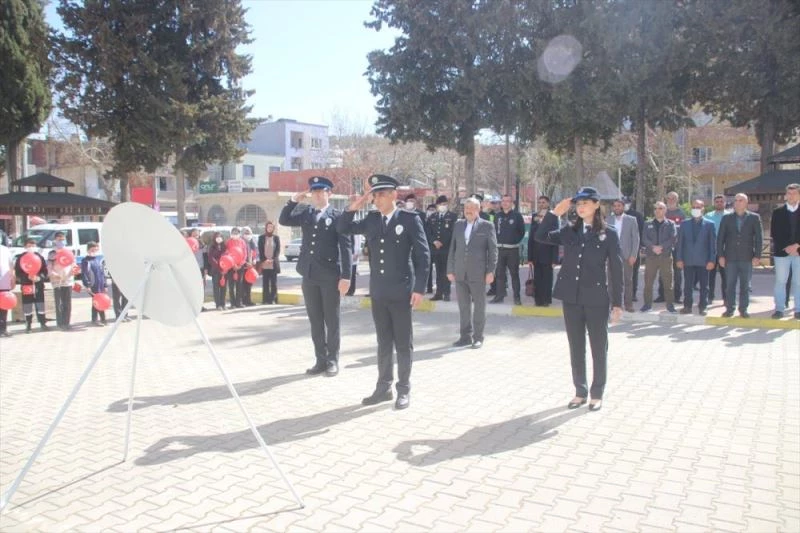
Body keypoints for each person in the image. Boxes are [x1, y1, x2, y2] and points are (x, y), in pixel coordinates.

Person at [337, 174, 430, 410]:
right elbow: (342, 227)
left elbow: (423, 255)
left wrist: (419, 288)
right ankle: (383, 388)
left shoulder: (409, 219)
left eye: (379, 195)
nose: (375, 199)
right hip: (379, 292)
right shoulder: (371, 220)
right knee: (383, 342)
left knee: (403, 343)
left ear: (393, 195)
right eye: (374, 195)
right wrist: (357, 203)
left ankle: (403, 389)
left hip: (401, 292)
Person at [535, 187, 623, 412]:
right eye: (578, 204)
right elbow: (540, 236)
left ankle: (597, 393)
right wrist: (554, 214)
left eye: (585, 203)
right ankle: (580, 391)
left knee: (598, 347)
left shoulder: (608, 233)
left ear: (596, 205)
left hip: (596, 298)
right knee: (576, 346)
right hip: (571, 297)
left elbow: (616, 269)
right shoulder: (570, 231)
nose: (581, 207)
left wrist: (617, 303)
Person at [279, 176, 352, 377]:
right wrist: (294, 200)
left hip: (329, 276)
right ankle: (320, 360)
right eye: (314, 192)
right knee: (315, 320)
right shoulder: (306, 214)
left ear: (329, 194)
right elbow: (284, 220)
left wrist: (346, 276)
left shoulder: (337, 216)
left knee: (332, 320)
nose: (318, 195)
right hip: (309, 274)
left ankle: (332, 360)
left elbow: (345, 248)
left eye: (321, 191)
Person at [447, 197, 497, 349]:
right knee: (463, 307)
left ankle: (478, 337)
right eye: (466, 208)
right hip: (460, 272)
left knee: (479, 306)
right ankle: (465, 336)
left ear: (478, 209)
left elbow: (493, 251)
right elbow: (452, 248)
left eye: (471, 208)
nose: (468, 211)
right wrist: (450, 269)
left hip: (478, 273)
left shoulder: (487, 226)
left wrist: (491, 271)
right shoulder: (458, 225)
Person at [717, 193, 762, 318]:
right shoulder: (726, 218)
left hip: (747, 257)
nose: (737, 202)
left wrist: (757, 256)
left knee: (745, 286)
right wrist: (720, 255)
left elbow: (759, 238)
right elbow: (720, 238)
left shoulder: (754, 218)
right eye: (736, 200)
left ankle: (743, 309)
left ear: (746, 202)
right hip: (730, 257)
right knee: (729, 285)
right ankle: (730, 309)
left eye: (740, 200)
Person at [675, 199, 716, 316]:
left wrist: (712, 260)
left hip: (704, 261)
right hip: (688, 260)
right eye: (693, 207)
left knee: (704, 286)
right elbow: (680, 243)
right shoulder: (684, 224)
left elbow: (712, 244)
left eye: (698, 207)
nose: (695, 209)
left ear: (703, 209)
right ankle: (687, 306)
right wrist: (679, 259)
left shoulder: (709, 224)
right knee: (688, 285)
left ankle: (703, 307)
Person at [640, 202, 677, 313]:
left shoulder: (670, 224)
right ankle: (647, 305)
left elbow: (673, 238)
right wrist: (652, 247)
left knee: (668, 283)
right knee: (648, 282)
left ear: (665, 210)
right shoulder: (647, 223)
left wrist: (661, 247)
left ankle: (670, 305)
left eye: (660, 208)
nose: (657, 210)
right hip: (651, 257)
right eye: (655, 208)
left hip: (665, 257)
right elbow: (644, 238)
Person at [770, 183, 800, 320]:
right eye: (789, 193)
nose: (791, 196)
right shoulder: (777, 212)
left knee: (798, 282)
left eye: (794, 193)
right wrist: (787, 247)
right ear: (786, 195)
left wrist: (797, 246)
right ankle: (779, 309)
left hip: (799, 252)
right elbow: (774, 233)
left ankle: (798, 310)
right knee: (780, 281)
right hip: (782, 253)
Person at [606, 199, 640, 313]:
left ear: (623, 207)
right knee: (611, 281)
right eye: (615, 206)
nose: (616, 208)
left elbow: (636, 239)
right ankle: (614, 304)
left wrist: (633, 255)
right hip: (612, 255)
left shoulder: (631, 220)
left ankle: (628, 304)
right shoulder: (608, 219)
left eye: (619, 206)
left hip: (626, 255)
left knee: (627, 281)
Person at [491, 194, 526, 305]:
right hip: (499, 249)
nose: (505, 203)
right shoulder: (497, 216)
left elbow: (521, 232)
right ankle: (499, 296)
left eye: (507, 201)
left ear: (511, 203)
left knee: (514, 274)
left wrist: (513, 241)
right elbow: (494, 231)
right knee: (499, 274)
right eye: (503, 201)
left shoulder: (517, 216)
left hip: (512, 250)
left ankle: (517, 298)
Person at [527, 196, 559, 307]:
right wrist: (529, 257)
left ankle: (546, 300)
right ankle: (538, 300)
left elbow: (556, 238)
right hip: (536, 253)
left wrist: (555, 259)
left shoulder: (553, 217)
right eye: (539, 202)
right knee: (537, 278)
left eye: (543, 202)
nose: (541, 204)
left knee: (547, 278)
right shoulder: (535, 216)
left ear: (548, 203)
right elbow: (531, 237)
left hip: (548, 253)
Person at [657, 191, 687, 304]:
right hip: (664, 248)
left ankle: (677, 296)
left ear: (677, 200)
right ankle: (662, 295)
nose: (671, 200)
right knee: (663, 272)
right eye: (669, 198)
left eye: (673, 198)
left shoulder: (681, 214)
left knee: (677, 273)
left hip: (677, 248)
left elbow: (684, 232)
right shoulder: (662, 212)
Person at [426, 195, 456, 301]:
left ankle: (446, 293)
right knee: (438, 272)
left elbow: (452, 232)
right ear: (437, 205)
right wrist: (434, 241)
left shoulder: (453, 216)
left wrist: (442, 242)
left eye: (445, 204)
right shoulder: (432, 217)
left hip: (447, 248)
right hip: (436, 249)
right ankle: (439, 293)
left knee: (447, 271)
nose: (443, 206)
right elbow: (428, 231)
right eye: (441, 204)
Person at [15, 238, 49, 333]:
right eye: (29, 246)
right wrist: (27, 277)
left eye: (33, 246)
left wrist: (39, 278)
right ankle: (28, 324)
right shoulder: (21, 258)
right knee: (27, 305)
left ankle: (42, 323)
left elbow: (44, 271)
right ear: (25, 247)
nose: (31, 247)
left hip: (38, 285)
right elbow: (18, 273)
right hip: (27, 285)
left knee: (40, 304)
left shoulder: (39, 257)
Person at [704, 194, 728, 307]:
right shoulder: (708, 216)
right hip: (711, 250)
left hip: (725, 250)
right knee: (710, 276)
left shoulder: (730, 215)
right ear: (714, 203)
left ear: (725, 203)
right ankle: (710, 297)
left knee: (726, 276)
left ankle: (726, 298)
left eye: (721, 201)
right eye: (717, 201)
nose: (719, 203)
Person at [47, 231, 74, 331]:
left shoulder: (69, 252)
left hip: (67, 280)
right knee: (59, 303)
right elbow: (49, 267)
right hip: (57, 281)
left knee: (67, 302)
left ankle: (67, 322)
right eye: (59, 239)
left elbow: (74, 264)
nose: (61, 241)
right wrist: (54, 274)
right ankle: (60, 323)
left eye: (63, 239)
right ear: (55, 240)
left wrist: (73, 271)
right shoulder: (52, 253)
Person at [623, 198, 645, 301]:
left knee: (633, 273)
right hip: (619, 249)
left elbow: (641, 232)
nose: (625, 205)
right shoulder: (616, 216)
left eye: (626, 203)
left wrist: (640, 246)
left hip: (633, 249)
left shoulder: (637, 216)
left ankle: (632, 294)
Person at [81, 241, 107, 326]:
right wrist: (87, 285)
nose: (94, 251)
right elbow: (84, 274)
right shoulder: (85, 261)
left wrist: (105, 285)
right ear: (88, 250)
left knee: (101, 300)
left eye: (96, 249)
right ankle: (94, 320)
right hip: (93, 285)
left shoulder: (97, 259)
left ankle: (103, 319)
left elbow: (102, 273)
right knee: (96, 301)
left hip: (100, 284)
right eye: (92, 250)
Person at [257, 221, 281, 304]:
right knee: (265, 283)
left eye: (271, 227)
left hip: (273, 263)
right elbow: (260, 250)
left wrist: (273, 259)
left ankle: (273, 299)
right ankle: (265, 300)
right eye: (268, 227)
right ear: (266, 228)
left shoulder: (276, 238)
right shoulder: (261, 238)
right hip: (265, 263)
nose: (269, 228)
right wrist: (264, 260)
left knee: (273, 283)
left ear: (273, 228)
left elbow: (278, 250)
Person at [225, 227, 247, 308]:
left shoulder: (242, 242)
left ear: (239, 234)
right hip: (231, 266)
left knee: (239, 285)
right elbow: (227, 253)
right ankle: (232, 303)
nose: (235, 234)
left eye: (236, 233)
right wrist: (233, 264)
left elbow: (245, 254)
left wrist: (240, 264)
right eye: (233, 233)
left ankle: (239, 302)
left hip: (240, 266)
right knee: (231, 285)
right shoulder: (228, 242)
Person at [208, 232, 227, 310]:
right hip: (215, 270)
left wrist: (224, 267)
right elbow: (210, 258)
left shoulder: (224, 246)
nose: (218, 238)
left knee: (224, 287)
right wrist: (219, 266)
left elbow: (227, 256)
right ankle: (218, 304)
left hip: (224, 270)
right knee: (216, 288)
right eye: (217, 237)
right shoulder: (212, 247)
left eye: (220, 237)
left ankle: (223, 304)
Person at [240, 226, 258, 306]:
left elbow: (255, 252)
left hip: (250, 266)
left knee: (249, 284)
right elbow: (239, 254)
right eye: (246, 233)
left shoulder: (252, 242)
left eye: (249, 233)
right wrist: (245, 263)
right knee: (243, 285)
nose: (247, 235)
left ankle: (248, 300)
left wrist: (254, 260)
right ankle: (243, 300)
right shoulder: (240, 242)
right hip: (243, 266)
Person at [0, 242, 14, 337]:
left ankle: (3, 329)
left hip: (4, 282)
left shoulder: (5, 249)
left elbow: (11, 265)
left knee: (4, 307)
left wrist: (12, 278)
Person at [424, 203, 436, 294]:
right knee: (427, 268)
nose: (431, 211)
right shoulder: (424, 218)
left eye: (433, 210)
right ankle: (428, 287)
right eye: (430, 210)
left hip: (435, 246)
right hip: (426, 246)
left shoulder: (436, 219)